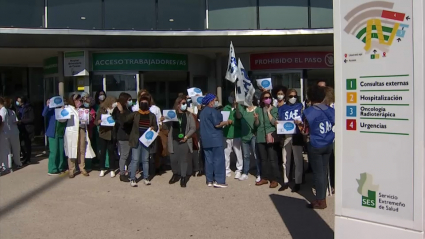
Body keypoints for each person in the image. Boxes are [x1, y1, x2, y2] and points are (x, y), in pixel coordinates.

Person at [296, 85, 335, 209]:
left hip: (316, 144)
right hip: (328, 142)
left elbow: (305, 131)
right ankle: (323, 194)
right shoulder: (330, 110)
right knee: (323, 171)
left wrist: (298, 124)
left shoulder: (308, 112)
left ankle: (320, 200)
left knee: (318, 173)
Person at [118, 94, 158, 187]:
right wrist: (121, 111)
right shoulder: (136, 114)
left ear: (148, 104)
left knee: (145, 160)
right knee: (135, 159)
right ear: (140, 104)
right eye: (142, 102)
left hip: (146, 140)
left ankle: (146, 178)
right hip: (136, 139)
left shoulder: (151, 115)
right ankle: (132, 178)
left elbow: (156, 126)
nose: (144, 104)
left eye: (146, 102)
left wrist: (153, 127)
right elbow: (125, 120)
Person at [161, 96, 196, 187]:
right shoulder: (172, 114)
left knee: (183, 160)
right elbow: (166, 128)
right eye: (183, 103)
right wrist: (163, 121)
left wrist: (187, 136)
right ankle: (176, 174)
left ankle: (183, 177)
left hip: (184, 140)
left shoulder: (188, 115)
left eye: (185, 103)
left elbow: (193, 128)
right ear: (178, 105)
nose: (185, 105)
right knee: (173, 159)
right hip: (174, 140)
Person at [254, 91, 286, 191]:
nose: (267, 99)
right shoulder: (258, 109)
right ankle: (264, 177)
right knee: (263, 159)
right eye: (265, 98)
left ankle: (275, 179)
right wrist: (256, 119)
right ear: (262, 100)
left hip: (271, 135)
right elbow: (256, 125)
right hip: (260, 136)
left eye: (269, 97)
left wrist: (268, 112)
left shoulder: (275, 109)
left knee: (273, 159)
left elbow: (274, 123)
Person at [199, 93, 230, 188]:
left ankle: (209, 180)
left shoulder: (202, 112)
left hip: (205, 139)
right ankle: (219, 180)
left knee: (208, 160)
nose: (216, 102)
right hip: (215, 139)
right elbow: (217, 124)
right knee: (218, 160)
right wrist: (227, 122)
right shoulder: (213, 111)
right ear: (211, 101)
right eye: (215, 100)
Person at [62, 94, 96, 178]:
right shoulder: (68, 108)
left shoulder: (83, 109)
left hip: (82, 130)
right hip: (72, 132)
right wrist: (62, 111)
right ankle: (71, 169)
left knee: (82, 149)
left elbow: (89, 120)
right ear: (72, 101)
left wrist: (89, 116)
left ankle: (82, 168)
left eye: (80, 100)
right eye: (76, 100)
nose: (79, 102)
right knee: (72, 149)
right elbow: (62, 119)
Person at [278, 89, 304, 192]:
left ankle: (298, 182)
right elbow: (279, 119)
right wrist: (277, 124)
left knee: (298, 160)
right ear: (287, 97)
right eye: (291, 96)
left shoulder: (300, 107)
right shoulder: (282, 108)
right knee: (285, 160)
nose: (293, 98)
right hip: (287, 134)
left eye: (295, 96)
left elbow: (304, 120)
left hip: (297, 134)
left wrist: (300, 123)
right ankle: (285, 181)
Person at [235, 96, 260, 182]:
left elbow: (257, 124)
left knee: (256, 155)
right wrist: (237, 105)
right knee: (245, 156)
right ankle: (245, 173)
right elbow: (238, 116)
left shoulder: (257, 109)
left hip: (253, 136)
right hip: (244, 137)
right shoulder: (243, 109)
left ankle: (259, 173)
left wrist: (256, 119)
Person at [42, 98, 67, 175]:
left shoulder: (63, 109)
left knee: (60, 150)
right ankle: (52, 169)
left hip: (60, 132)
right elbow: (43, 114)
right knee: (54, 151)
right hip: (52, 133)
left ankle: (60, 167)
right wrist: (48, 105)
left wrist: (63, 109)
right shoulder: (51, 110)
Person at [95, 96, 118, 178]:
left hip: (112, 134)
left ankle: (112, 169)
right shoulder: (101, 109)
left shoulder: (115, 110)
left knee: (111, 152)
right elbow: (96, 121)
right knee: (103, 152)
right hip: (103, 133)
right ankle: (102, 169)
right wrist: (99, 121)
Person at [112, 93, 133, 182]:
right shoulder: (119, 110)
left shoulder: (128, 109)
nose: (130, 101)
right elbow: (122, 122)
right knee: (124, 155)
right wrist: (122, 112)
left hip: (128, 135)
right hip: (123, 135)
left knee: (128, 155)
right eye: (129, 99)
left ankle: (128, 171)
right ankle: (122, 173)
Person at [222, 92, 244, 179]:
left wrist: (237, 107)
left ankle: (239, 170)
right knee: (226, 154)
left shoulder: (240, 108)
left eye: (234, 97)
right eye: (231, 96)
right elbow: (223, 119)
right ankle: (226, 170)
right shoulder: (226, 107)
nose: (232, 98)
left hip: (236, 134)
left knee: (238, 153)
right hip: (226, 134)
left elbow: (239, 118)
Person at [0, 97, 22, 170]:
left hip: (5, 132)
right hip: (13, 131)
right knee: (15, 148)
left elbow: (2, 122)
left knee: (6, 150)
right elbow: (15, 121)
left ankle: (7, 166)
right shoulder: (11, 111)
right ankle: (17, 163)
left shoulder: (2, 111)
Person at [16, 96, 34, 165]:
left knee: (27, 144)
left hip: (27, 128)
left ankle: (28, 158)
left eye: (19, 101)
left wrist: (22, 121)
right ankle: (24, 155)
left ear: (23, 102)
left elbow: (31, 119)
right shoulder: (18, 109)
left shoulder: (29, 108)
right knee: (19, 143)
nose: (17, 102)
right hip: (20, 128)